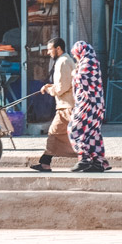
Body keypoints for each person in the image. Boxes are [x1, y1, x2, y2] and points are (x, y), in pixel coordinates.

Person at [30, 37, 75, 172]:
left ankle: (46, 162)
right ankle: (45, 162)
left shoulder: (63, 62)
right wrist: (50, 86)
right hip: (65, 104)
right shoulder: (64, 60)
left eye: (50, 49)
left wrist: (49, 89)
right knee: (58, 134)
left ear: (58, 49)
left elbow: (62, 88)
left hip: (66, 105)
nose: (48, 52)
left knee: (56, 133)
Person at [67, 41, 109, 173]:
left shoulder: (88, 62)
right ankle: (97, 161)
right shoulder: (93, 61)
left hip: (88, 102)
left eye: (75, 54)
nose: (75, 57)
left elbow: (83, 79)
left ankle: (83, 158)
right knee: (92, 132)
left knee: (74, 128)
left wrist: (74, 74)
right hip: (96, 103)